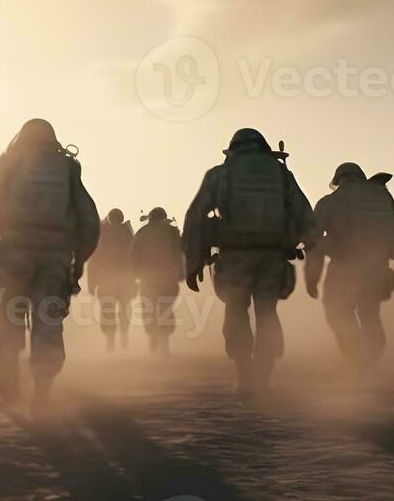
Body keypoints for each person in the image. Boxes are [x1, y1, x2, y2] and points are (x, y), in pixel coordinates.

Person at [0, 119, 100, 411]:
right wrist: (79, 260)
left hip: (12, 253)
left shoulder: (3, 165)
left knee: (9, 310)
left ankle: (8, 367)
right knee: (48, 320)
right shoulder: (68, 169)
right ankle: (42, 391)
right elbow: (88, 217)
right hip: (55, 258)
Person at [183, 128, 314, 395]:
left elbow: (195, 216)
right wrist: (306, 248)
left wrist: (194, 261)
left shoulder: (219, 175)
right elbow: (305, 215)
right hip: (272, 256)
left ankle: (244, 372)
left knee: (235, 311)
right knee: (267, 312)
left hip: (234, 258)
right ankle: (263, 373)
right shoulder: (281, 174)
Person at [303, 163, 394, 369]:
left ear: (338, 180)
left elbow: (313, 242)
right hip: (379, 267)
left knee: (338, 312)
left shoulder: (329, 202)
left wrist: (312, 277)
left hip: (344, 269)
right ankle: (373, 354)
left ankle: (357, 358)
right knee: (369, 312)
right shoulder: (382, 197)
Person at [131, 207, 185, 355]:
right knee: (165, 309)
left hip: (149, 278)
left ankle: (155, 335)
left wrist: (136, 273)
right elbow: (180, 252)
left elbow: (133, 255)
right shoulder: (172, 232)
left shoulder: (142, 233)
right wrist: (180, 273)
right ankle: (163, 338)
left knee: (149, 310)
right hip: (167, 278)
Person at [88, 209, 136, 352]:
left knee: (110, 310)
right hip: (119, 279)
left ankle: (113, 339)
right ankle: (121, 337)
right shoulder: (127, 234)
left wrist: (92, 283)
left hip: (108, 279)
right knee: (122, 309)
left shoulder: (102, 234)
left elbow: (93, 260)